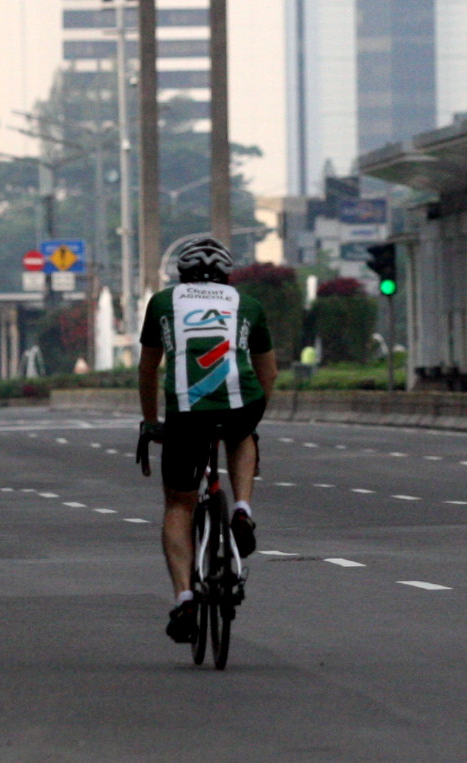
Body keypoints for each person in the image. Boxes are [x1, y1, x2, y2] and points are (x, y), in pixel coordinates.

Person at [136, 234, 276, 645]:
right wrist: (254, 418)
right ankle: (243, 509)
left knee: (179, 504)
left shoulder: (163, 302)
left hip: (186, 413)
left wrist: (150, 423)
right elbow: (268, 374)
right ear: (227, 275)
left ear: (181, 274)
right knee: (242, 432)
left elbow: (148, 370)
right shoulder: (248, 305)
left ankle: (184, 600)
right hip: (241, 404)